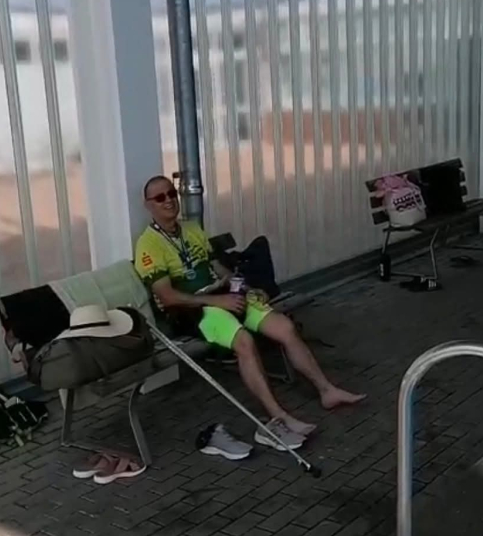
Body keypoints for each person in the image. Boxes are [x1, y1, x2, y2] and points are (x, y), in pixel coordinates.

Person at [135, 177, 365, 453]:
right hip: (192, 310)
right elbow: (167, 296)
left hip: (222, 296)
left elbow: (217, 267)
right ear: (148, 205)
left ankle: (327, 390)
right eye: (160, 197)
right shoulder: (148, 244)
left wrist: (242, 287)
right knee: (244, 341)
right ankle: (278, 417)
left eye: (171, 193)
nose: (169, 200)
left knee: (284, 326)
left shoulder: (191, 228)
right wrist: (218, 300)